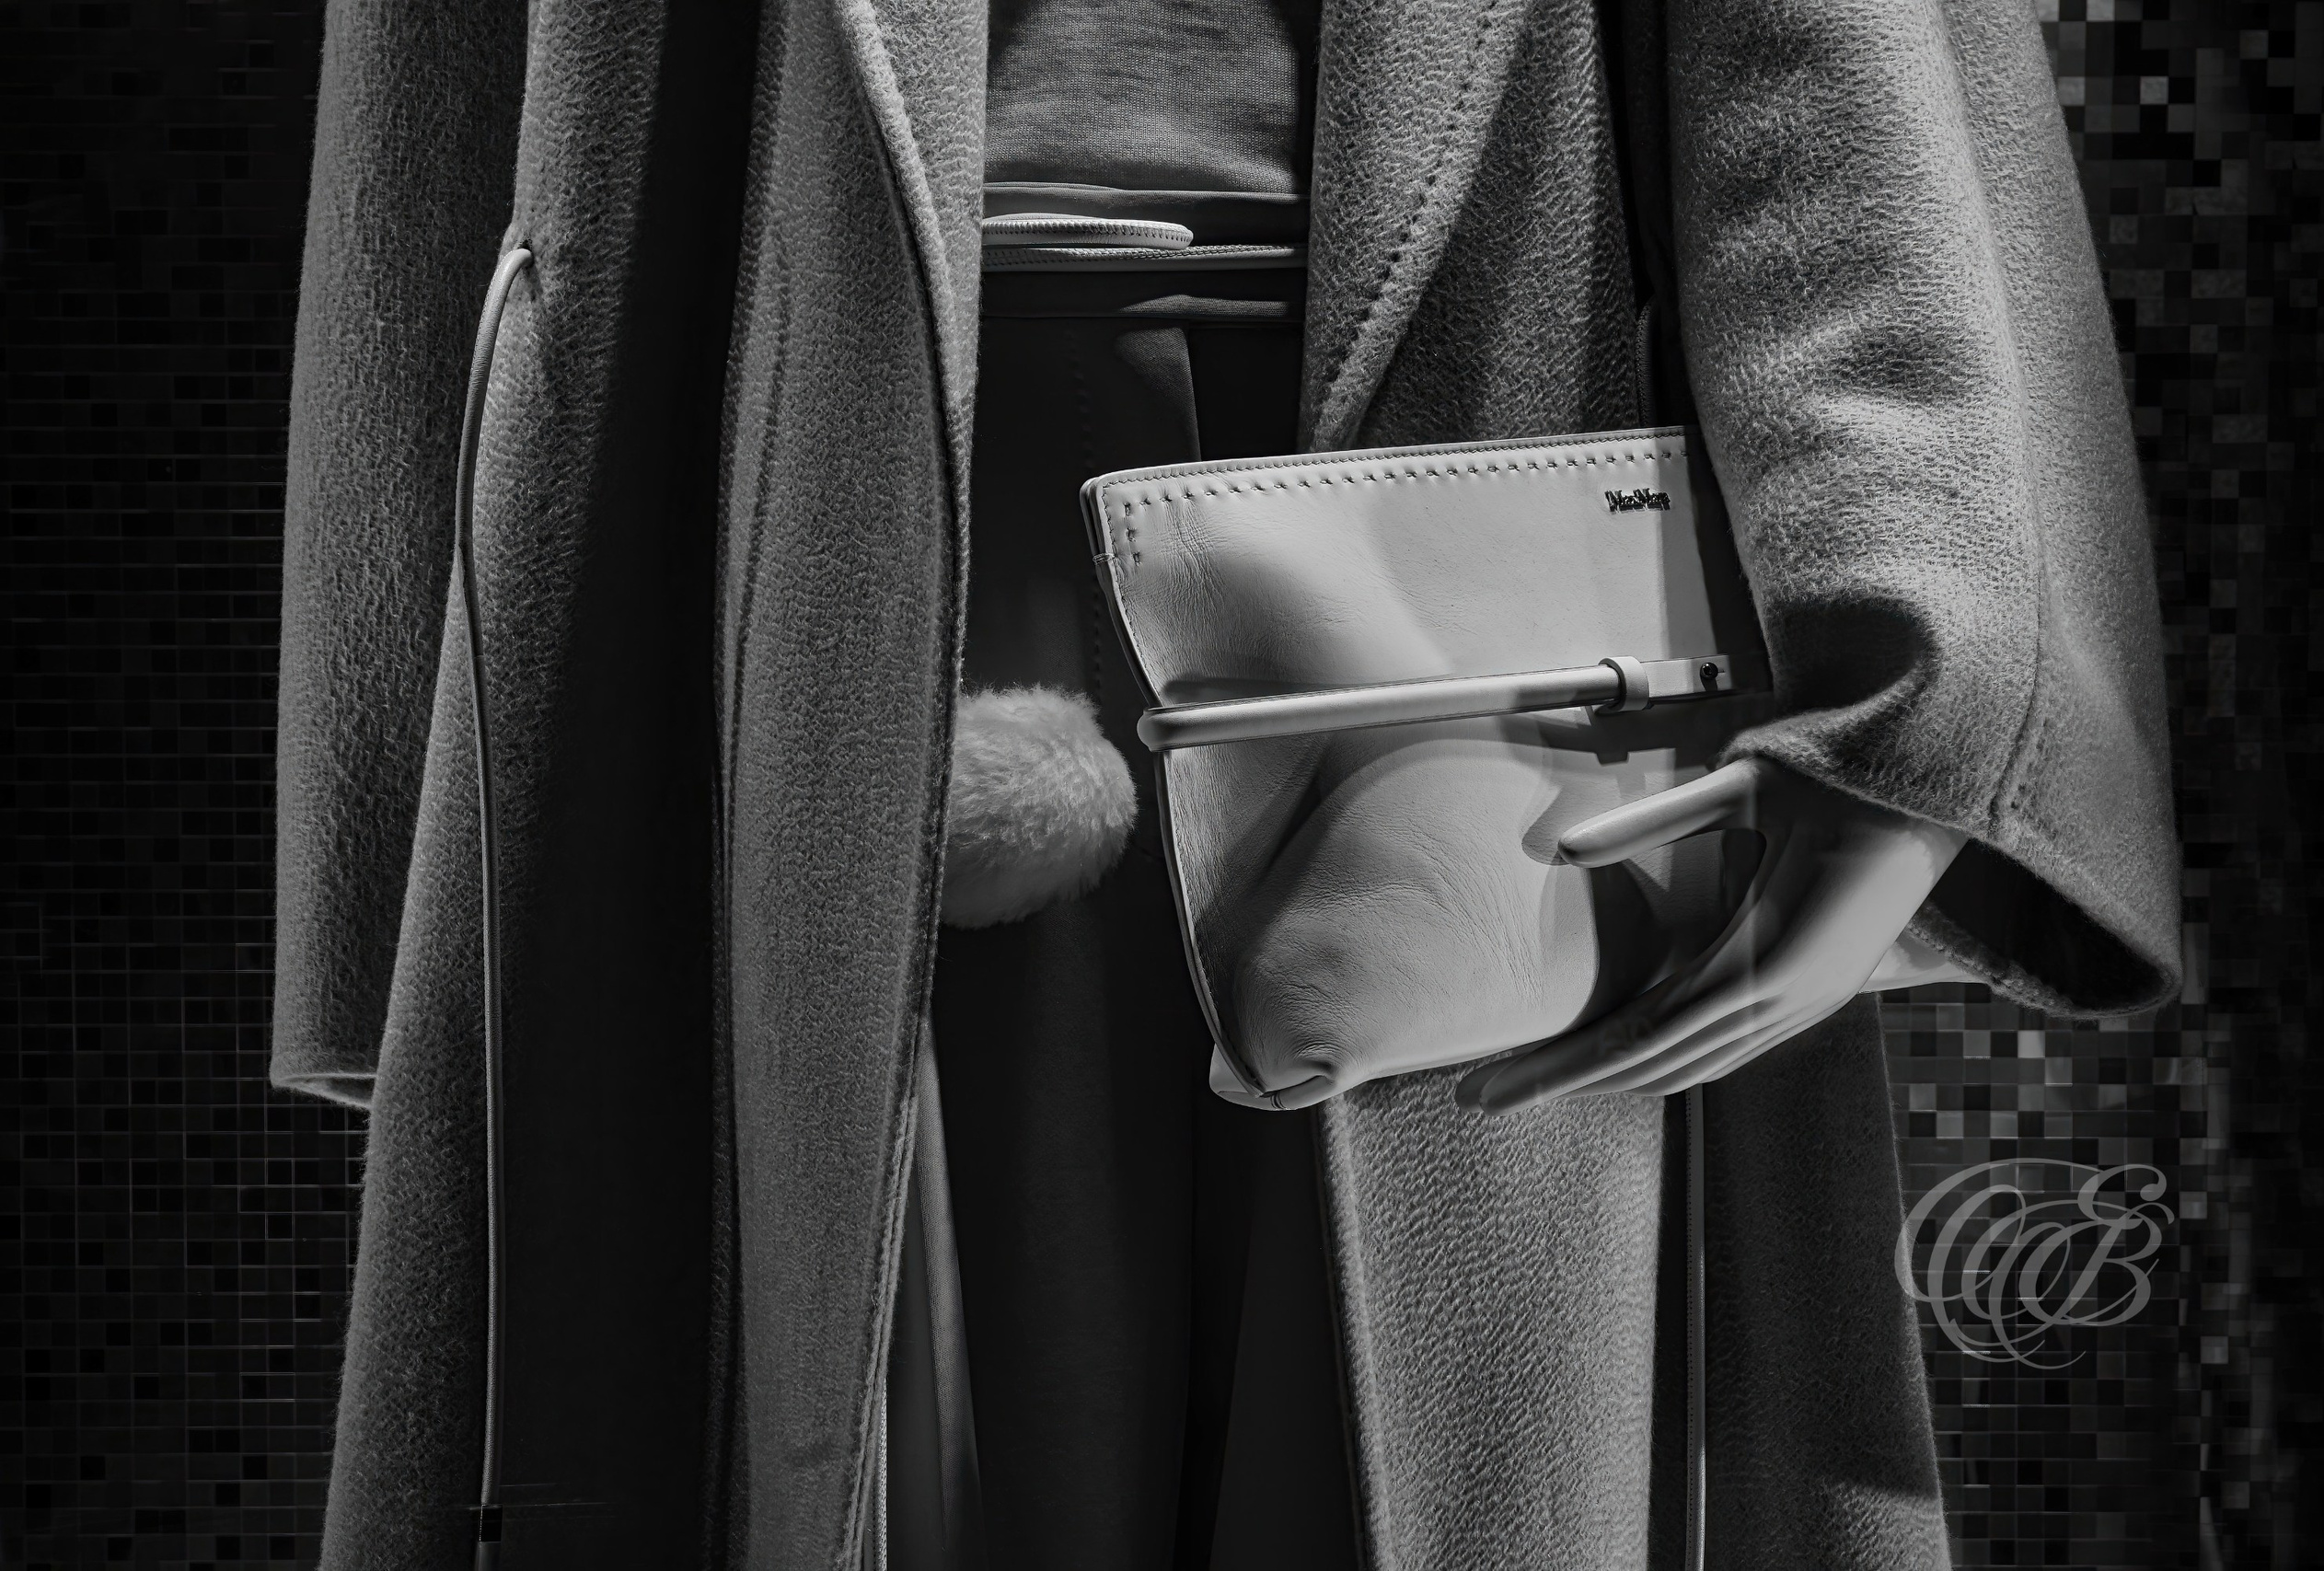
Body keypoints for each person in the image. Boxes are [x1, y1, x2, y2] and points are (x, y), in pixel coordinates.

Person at [270, 0, 2179, 1565]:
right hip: (778, 445)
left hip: (1485, 475)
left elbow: (1824, 67)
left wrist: (1913, 674)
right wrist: (406, 872)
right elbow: (447, 122)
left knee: (1446, 1428)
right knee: (889, 1428)